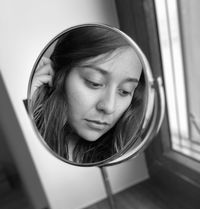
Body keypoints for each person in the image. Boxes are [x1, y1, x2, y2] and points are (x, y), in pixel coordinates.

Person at [30, 25, 146, 163]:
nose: (109, 107)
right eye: (94, 82)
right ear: (58, 77)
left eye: (125, 91)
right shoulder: (31, 139)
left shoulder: (121, 155)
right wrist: (28, 105)